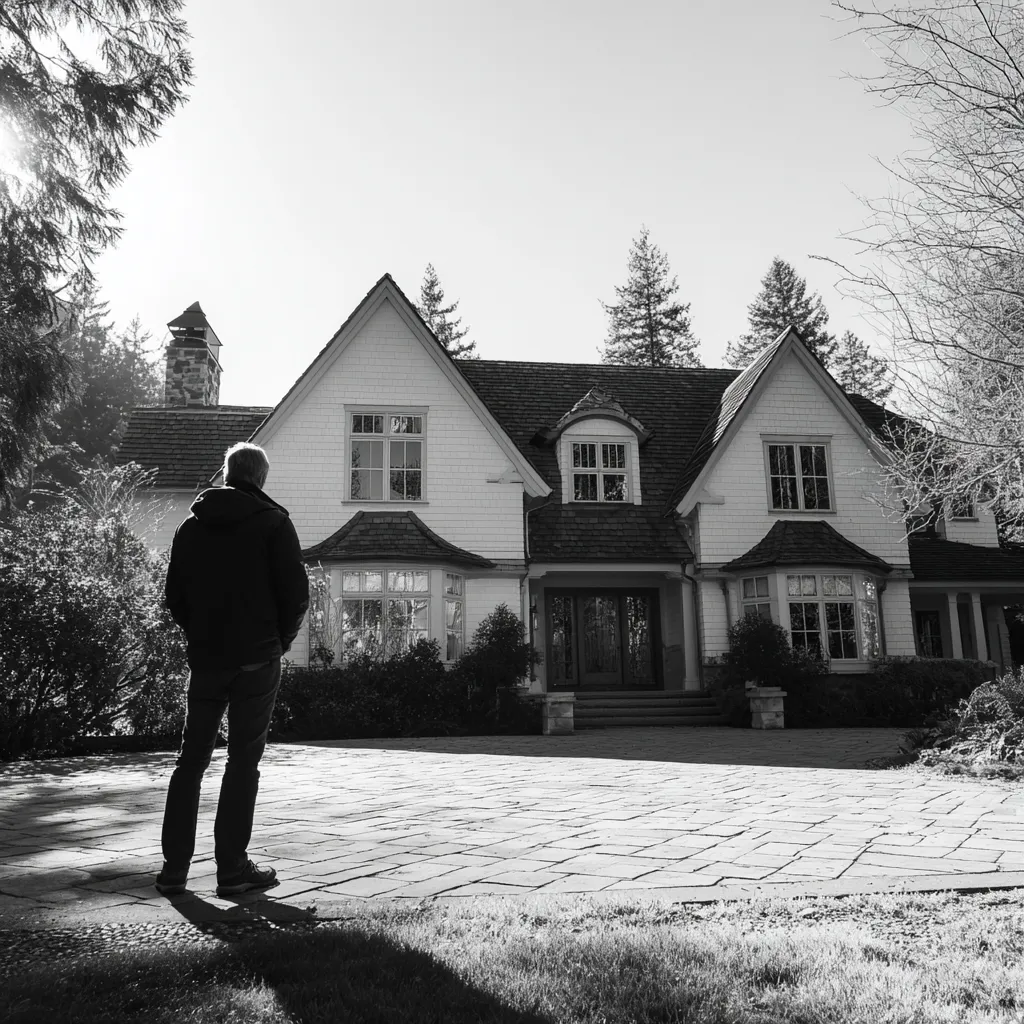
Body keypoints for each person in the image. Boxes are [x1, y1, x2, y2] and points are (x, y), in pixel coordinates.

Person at [155, 442, 309, 897]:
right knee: (243, 762)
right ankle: (232, 870)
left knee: (190, 761)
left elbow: (174, 597)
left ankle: (174, 870)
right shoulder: (274, 524)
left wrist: (200, 636)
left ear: (226, 474)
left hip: (206, 659)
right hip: (256, 659)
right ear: (260, 479)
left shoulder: (190, 527)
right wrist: (277, 644)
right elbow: (295, 596)